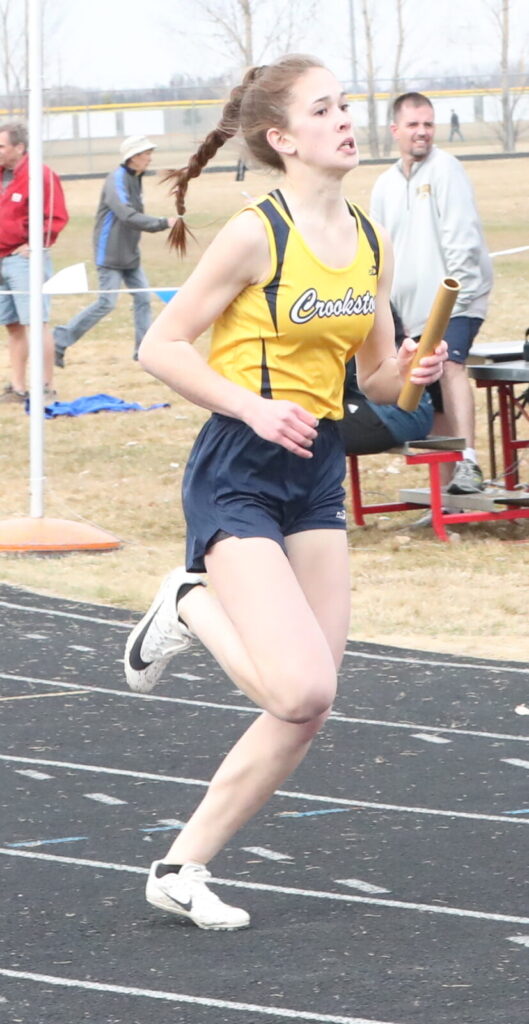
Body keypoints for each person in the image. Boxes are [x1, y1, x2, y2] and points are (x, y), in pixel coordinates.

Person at [123, 55, 446, 932]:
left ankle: (179, 867)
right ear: (283, 138)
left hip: (314, 470)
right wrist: (252, 406)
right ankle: (189, 604)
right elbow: (160, 347)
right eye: (324, 109)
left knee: (310, 702)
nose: (345, 120)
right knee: (297, 691)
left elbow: (375, 380)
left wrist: (411, 368)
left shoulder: (369, 238)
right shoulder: (253, 233)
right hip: (239, 465)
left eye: (344, 105)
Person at [370, 92, 493, 495]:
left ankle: (469, 464)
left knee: (450, 365)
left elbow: (462, 240)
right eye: (413, 125)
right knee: (430, 384)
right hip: (410, 311)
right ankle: (446, 497)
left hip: (457, 300)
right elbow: (379, 251)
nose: (422, 132)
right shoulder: (385, 185)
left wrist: (456, 299)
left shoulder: (446, 169)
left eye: (428, 124)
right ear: (395, 130)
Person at [53, 136, 175, 367]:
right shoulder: (116, 179)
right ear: (133, 157)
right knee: (106, 302)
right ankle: (59, 340)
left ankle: (143, 351)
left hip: (130, 253)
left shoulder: (135, 178)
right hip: (109, 253)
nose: (150, 158)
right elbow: (127, 215)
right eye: (146, 154)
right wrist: (162, 223)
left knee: (143, 298)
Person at [0, 120, 68, 404]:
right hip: (1, 258)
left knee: (36, 323)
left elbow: (56, 216)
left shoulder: (41, 175)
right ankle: (17, 388)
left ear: (19, 147)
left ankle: (45, 387)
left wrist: (36, 244)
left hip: (23, 260)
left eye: (1, 146)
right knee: (13, 325)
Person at [339, 305, 433, 454]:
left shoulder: (356, 302)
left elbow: (339, 379)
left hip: (400, 410)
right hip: (367, 401)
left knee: (312, 429)